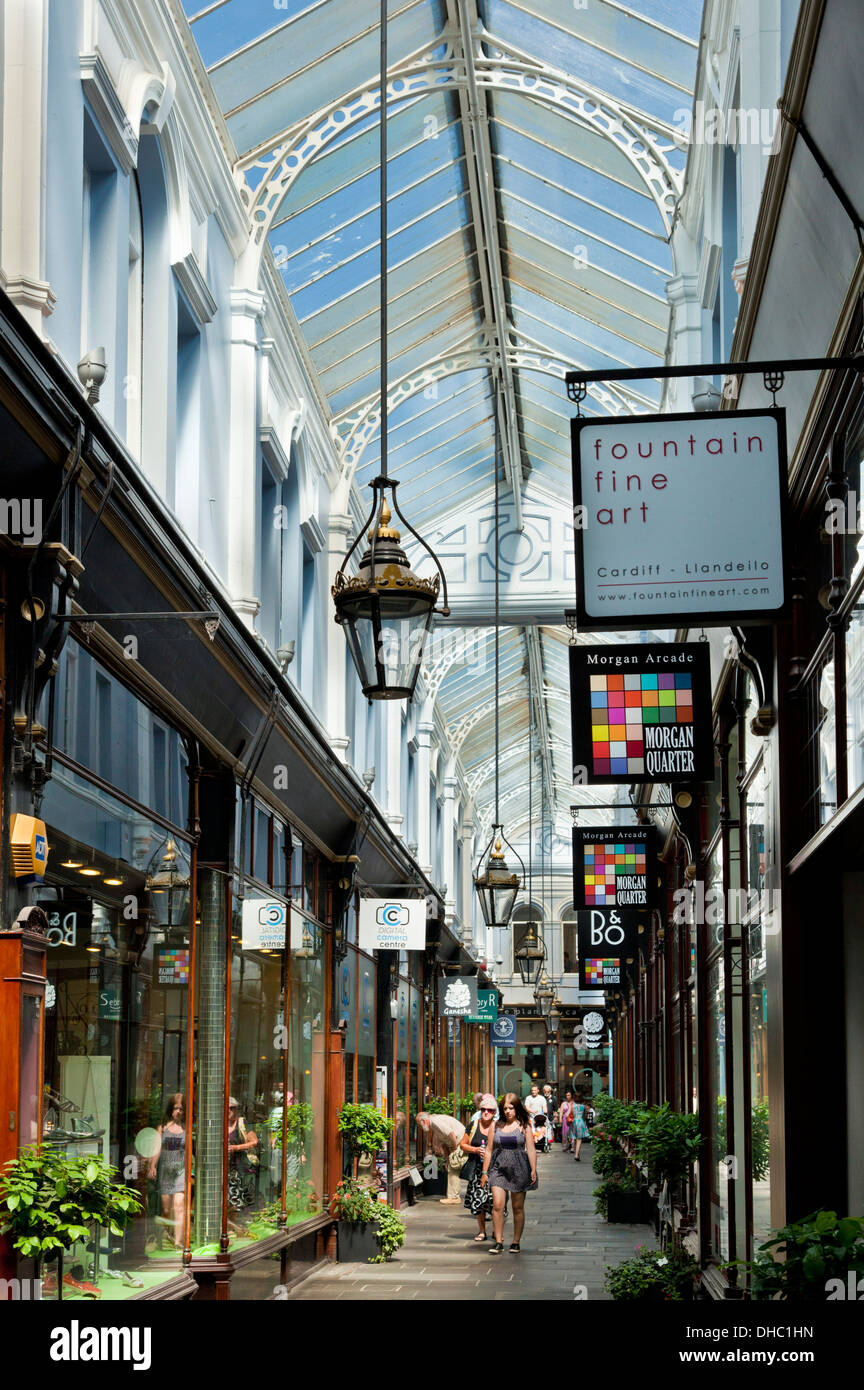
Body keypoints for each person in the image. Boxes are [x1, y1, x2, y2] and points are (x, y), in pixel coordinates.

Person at [480, 1092, 537, 1254]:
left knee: (517, 1207)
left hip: (519, 1169)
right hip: (498, 1169)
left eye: (511, 1108)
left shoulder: (524, 1125)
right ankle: (498, 1241)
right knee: (497, 1205)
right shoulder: (495, 1126)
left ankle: (516, 1242)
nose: (508, 1111)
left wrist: (533, 1169)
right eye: (505, 1108)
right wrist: (485, 1172)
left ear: (517, 1108)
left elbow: (531, 1149)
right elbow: (489, 1150)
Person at [148, 1093, 186, 1249]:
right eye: (176, 1108)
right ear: (171, 1110)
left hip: (180, 1170)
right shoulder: (162, 1128)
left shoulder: (187, 1128)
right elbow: (157, 1148)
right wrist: (152, 1166)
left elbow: (191, 1151)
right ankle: (166, 1236)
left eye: (181, 1109)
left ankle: (178, 1242)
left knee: (178, 1205)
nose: (178, 1111)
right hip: (165, 1171)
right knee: (165, 1209)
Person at [459, 1094, 497, 1241]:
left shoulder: (498, 1126)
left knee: (496, 1201)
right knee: (479, 1201)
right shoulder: (474, 1125)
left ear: (494, 1112)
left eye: (489, 1110)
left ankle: (496, 1229)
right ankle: (482, 1231)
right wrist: (475, 1150)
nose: (486, 1112)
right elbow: (462, 1144)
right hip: (477, 1169)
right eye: (483, 1109)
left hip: (495, 1169)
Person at [227, 1096, 259, 1212]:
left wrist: (236, 1148)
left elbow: (254, 1142)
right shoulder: (220, 1124)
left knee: (240, 1198)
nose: (228, 1111)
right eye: (225, 1108)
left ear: (236, 1109)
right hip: (226, 1168)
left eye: (231, 1108)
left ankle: (242, 1221)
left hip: (241, 1168)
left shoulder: (242, 1123)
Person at [571, 1094, 591, 1162]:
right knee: (579, 1139)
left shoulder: (572, 1106)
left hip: (574, 1122)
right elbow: (585, 1116)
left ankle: (576, 1153)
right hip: (581, 1122)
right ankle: (576, 1154)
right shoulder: (583, 1106)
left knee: (575, 1137)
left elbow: (568, 1114)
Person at [559, 1089, 575, 1153]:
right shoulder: (564, 1103)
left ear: (571, 1096)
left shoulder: (574, 1103)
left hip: (572, 1118)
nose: (567, 1096)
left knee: (572, 1133)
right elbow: (561, 1112)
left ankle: (572, 1147)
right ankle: (565, 1146)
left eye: (568, 1095)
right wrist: (560, 1118)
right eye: (566, 1095)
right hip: (565, 1119)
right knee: (565, 1133)